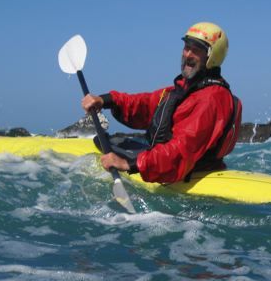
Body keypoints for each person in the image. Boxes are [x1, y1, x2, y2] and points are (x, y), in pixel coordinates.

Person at [81, 22, 242, 184]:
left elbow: (182, 149)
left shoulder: (210, 99)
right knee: (112, 141)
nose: (188, 54)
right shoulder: (185, 89)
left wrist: (130, 164)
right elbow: (146, 105)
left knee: (107, 144)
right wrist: (107, 100)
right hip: (166, 162)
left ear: (212, 57)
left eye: (196, 50)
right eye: (186, 47)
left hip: (181, 170)